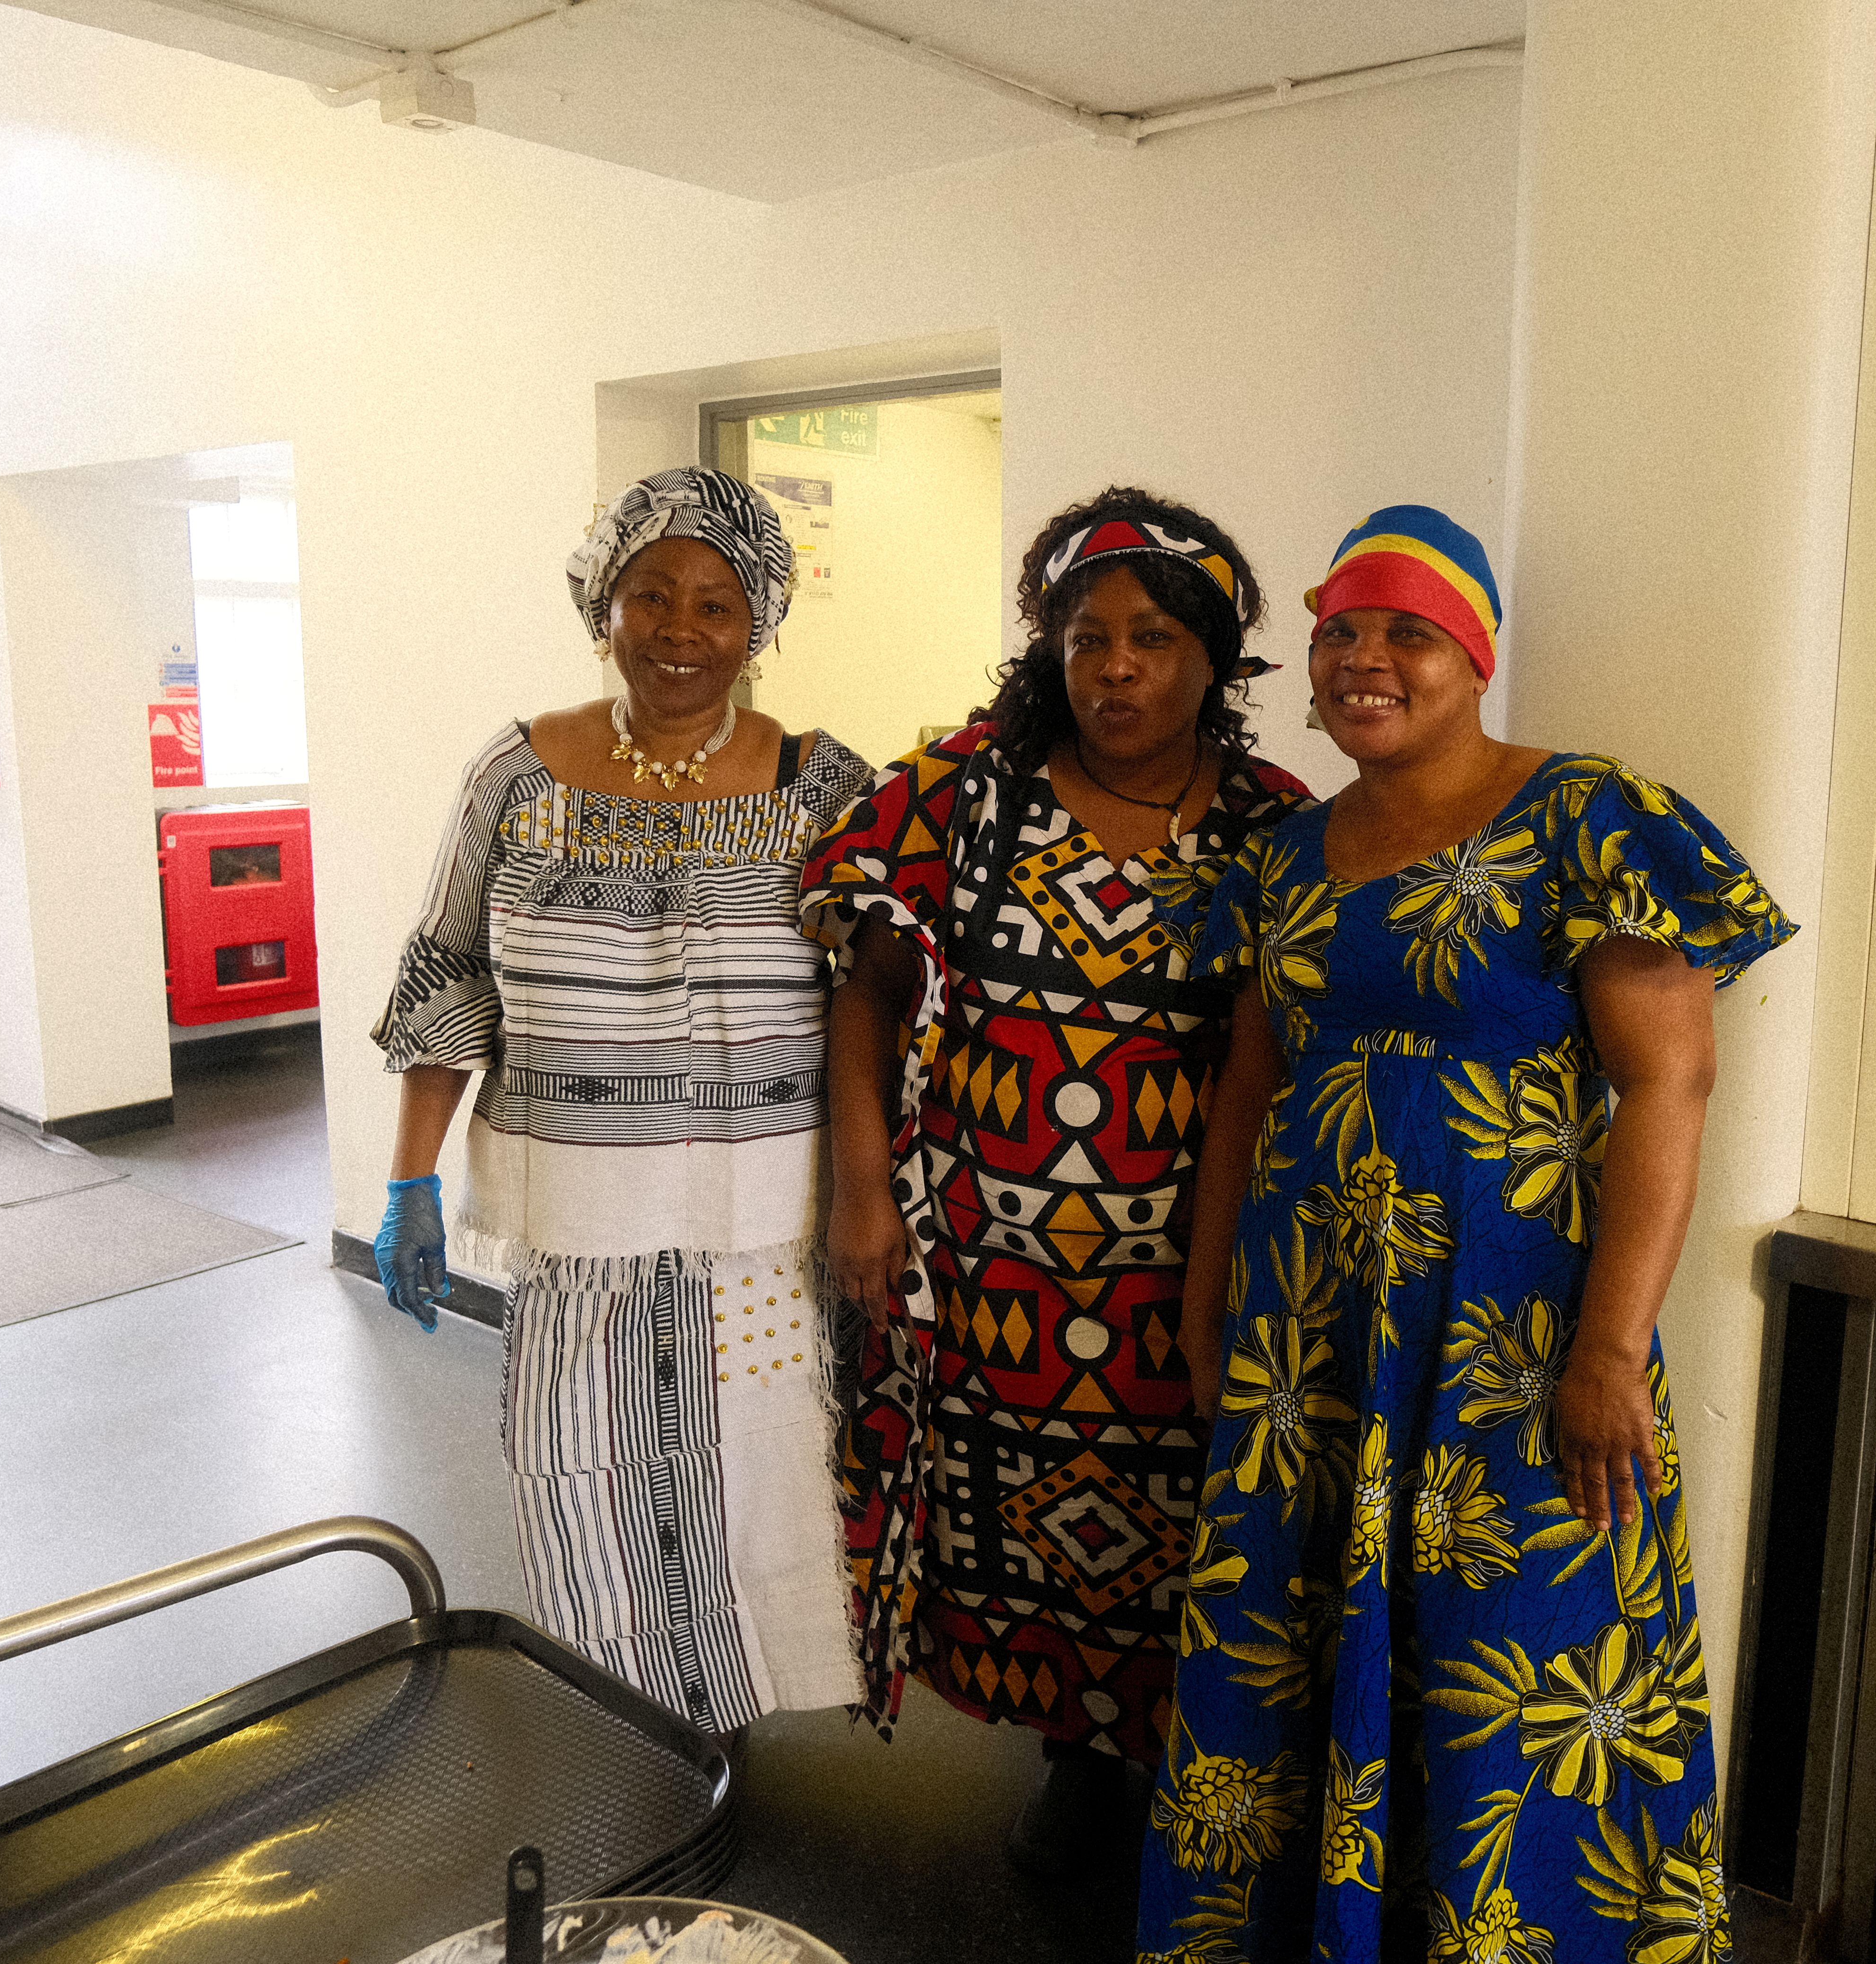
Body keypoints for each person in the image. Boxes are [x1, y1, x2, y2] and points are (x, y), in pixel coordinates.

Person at [1135, 507, 1796, 1961]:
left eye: (1408, 633)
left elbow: (1668, 1077)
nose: (1367, 660)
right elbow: (1250, 1087)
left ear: (1474, 657)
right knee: (1296, 1640)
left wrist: (1613, 1347)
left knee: (1512, 1647)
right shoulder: (1289, 854)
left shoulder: (1587, 815)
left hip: (1512, 1327)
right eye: (1341, 635)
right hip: (1308, 1325)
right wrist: (1208, 1298)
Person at [799, 488, 1312, 1867]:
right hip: (991, 1269)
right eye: (1088, 638)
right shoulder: (964, 796)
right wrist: (862, 1192)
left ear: (1218, 655)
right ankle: (1077, 1765)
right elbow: (870, 988)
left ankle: (1181, 1772)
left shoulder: (1277, 825)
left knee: (1185, 1517)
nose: (1119, 667)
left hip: (1187, 1270)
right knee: (1015, 1520)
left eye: (1153, 637)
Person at [370, 466, 873, 1737]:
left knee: (768, 1494)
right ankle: (636, 1740)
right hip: (579, 1239)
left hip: (767, 1240)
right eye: (652, 597)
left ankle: (739, 1747)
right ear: (602, 604)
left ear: (760, 619)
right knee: (582, 1482)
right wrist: (408, 1180)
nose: (682, 634)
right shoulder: (521, 777)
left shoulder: (821, 791)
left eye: (716, 604)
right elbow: (448, 975)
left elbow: (886, 1000)